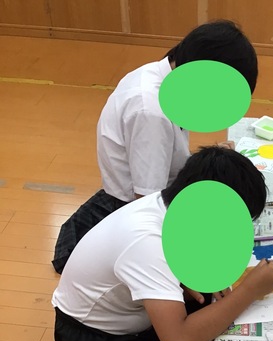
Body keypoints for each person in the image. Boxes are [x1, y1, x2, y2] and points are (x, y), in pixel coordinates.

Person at [52, 146, 273, 341]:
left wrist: (184, 278)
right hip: (96, 340)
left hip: (135, 313)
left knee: (210, 297)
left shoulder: (167, 204)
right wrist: (250, 290)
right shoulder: (148, 242)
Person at [52, 19, 258, 273]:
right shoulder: (152, 112)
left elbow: (167, 155)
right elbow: (147, 203)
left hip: (148, 189)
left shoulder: (160, 75)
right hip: (132, 207)